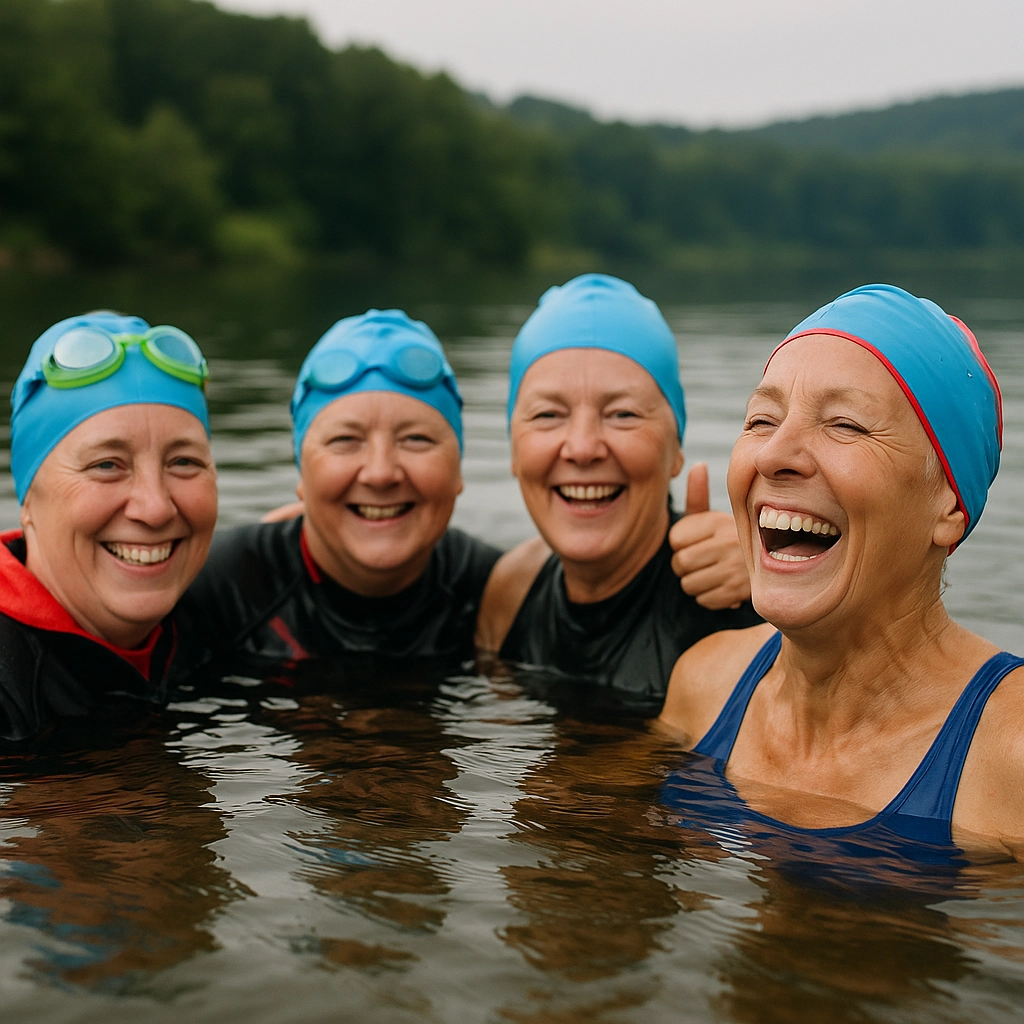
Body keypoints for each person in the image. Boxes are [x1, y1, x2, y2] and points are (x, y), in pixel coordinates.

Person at [660, 283, 1024, 860]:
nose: (775, 454)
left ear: (950, 506)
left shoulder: (1010, 754)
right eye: (761, 420)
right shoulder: (703, 686)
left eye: (846, 425)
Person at [476, 274, 759, 700]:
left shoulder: (742, 603)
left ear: (676, 449)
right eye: (548, 415)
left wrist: (780, 575)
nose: (584, 448)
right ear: (514, 451)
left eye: (623, 414)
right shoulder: (512, 590)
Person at [183, 309, 501, 672]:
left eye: (416, 439)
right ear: (302, 472)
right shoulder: (219, 591)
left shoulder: (503, 595)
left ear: (458, 467)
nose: (380, 473)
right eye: (345, 440)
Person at [0, 311, 218, 741]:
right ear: (28, 500)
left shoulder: (219, 617)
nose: (155, 509)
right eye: (106, 465)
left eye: (184, 462)